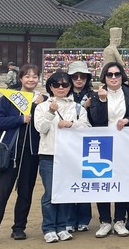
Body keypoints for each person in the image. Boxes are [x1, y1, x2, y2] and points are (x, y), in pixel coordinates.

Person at [0, 64, 44, 246]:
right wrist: (19, 119)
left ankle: (19, 228)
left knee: (26, 192)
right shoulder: (8, 98)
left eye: (34, 76)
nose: (31, 79)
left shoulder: (42, 99)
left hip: (31, 153)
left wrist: (38, 106)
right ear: (21, 78)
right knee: (1, 193)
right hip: (10, 153)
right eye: (27, 76)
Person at [87, 62, 129, 238]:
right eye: (110, 74)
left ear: (122, 76)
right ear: (104, 77)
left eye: (117, 74)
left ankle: (120, 220)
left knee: (123, 181)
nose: (113, 78)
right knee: (102, 181)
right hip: (103, 143)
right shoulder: (96, 94)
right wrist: (102, 101)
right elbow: (96, 120)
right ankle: (105, 221)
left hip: (124, 144)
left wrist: (127, 120)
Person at [35, 71, 91, 243]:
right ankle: (49, 228)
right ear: (50, 87)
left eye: (65, 84)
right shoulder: (42, 107)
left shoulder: (77, 107)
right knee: (50, 193)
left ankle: (62, 226)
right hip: (49, 155)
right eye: (56, 84)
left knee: (65, 192)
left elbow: (87, 128)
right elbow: (41, 129)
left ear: (70, 87)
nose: (61, 87)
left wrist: (71, 124)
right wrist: (50, 113)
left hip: (70, 156)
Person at [66, 61, 95, 232]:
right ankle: (69, 219)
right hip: (67, 144)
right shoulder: (63, 93)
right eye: (75, 76)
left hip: (86, 143)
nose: (79, 79)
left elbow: (98, 120)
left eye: (82, 76)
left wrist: (89, 108)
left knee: (85, 181)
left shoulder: (93, 95)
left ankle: (84, 218)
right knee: (70, 181)